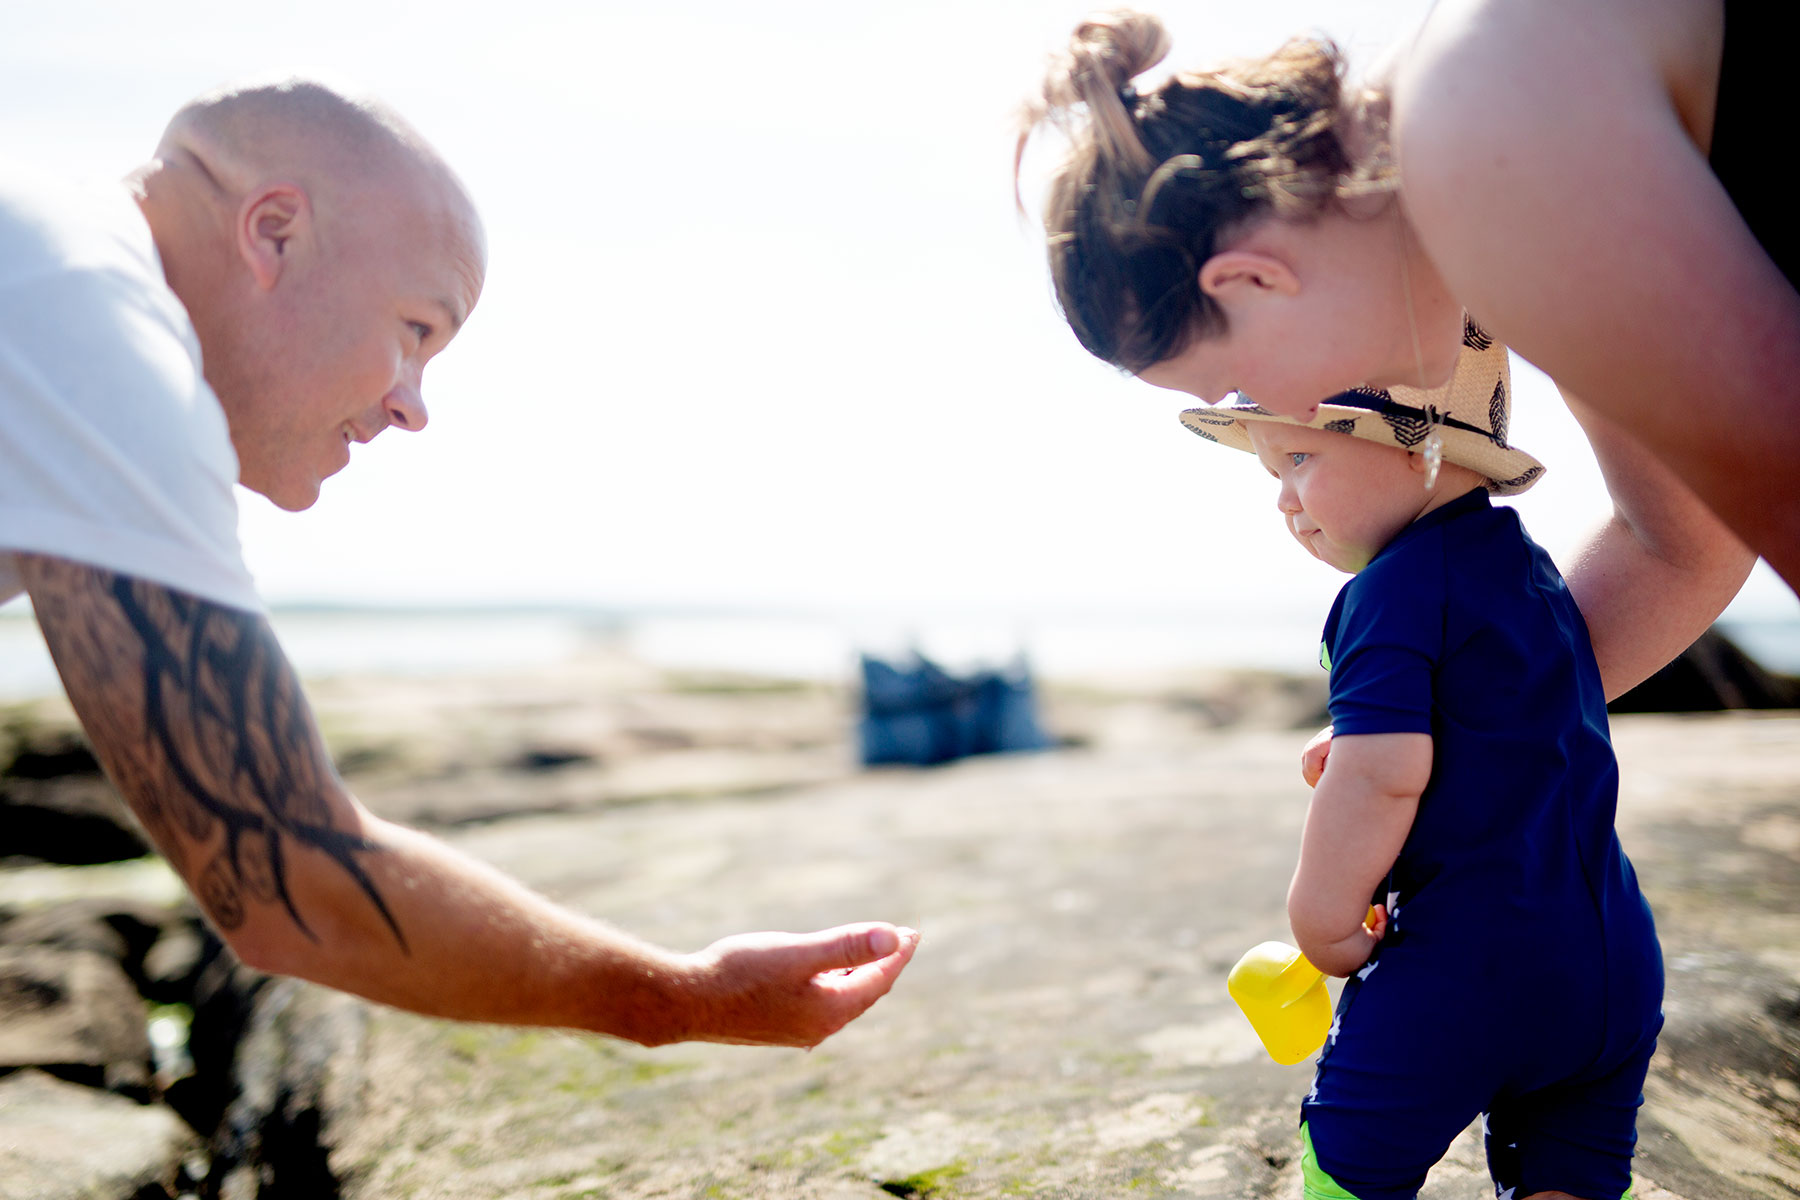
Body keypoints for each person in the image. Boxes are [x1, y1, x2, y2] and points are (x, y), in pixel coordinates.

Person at [0, 78, 917, 1048]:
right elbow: (292, 885)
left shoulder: (51, 272)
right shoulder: (100, 331)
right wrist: (684, 998)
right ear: (273, 232)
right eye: (414, 331)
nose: (412, 405)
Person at [1014, 4, 1773, 713]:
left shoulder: (1483, 157)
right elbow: (1683, 544)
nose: (1292, 412)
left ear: (1251, 280)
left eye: (1240, 382)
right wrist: (1424, 725)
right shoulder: (1452, 151)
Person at [1184, 338, 1662, 1200]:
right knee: (1570, 1175)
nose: (1286, 502)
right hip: (1612, 963)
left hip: (1465, 972)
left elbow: (1382, 777)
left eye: (1300, 457)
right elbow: (1513, 731)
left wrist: (1321, 918)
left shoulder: (1386, 591)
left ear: (1418, 444)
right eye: (1273, 475)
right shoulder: (1531, 573)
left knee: (1349, 1168)